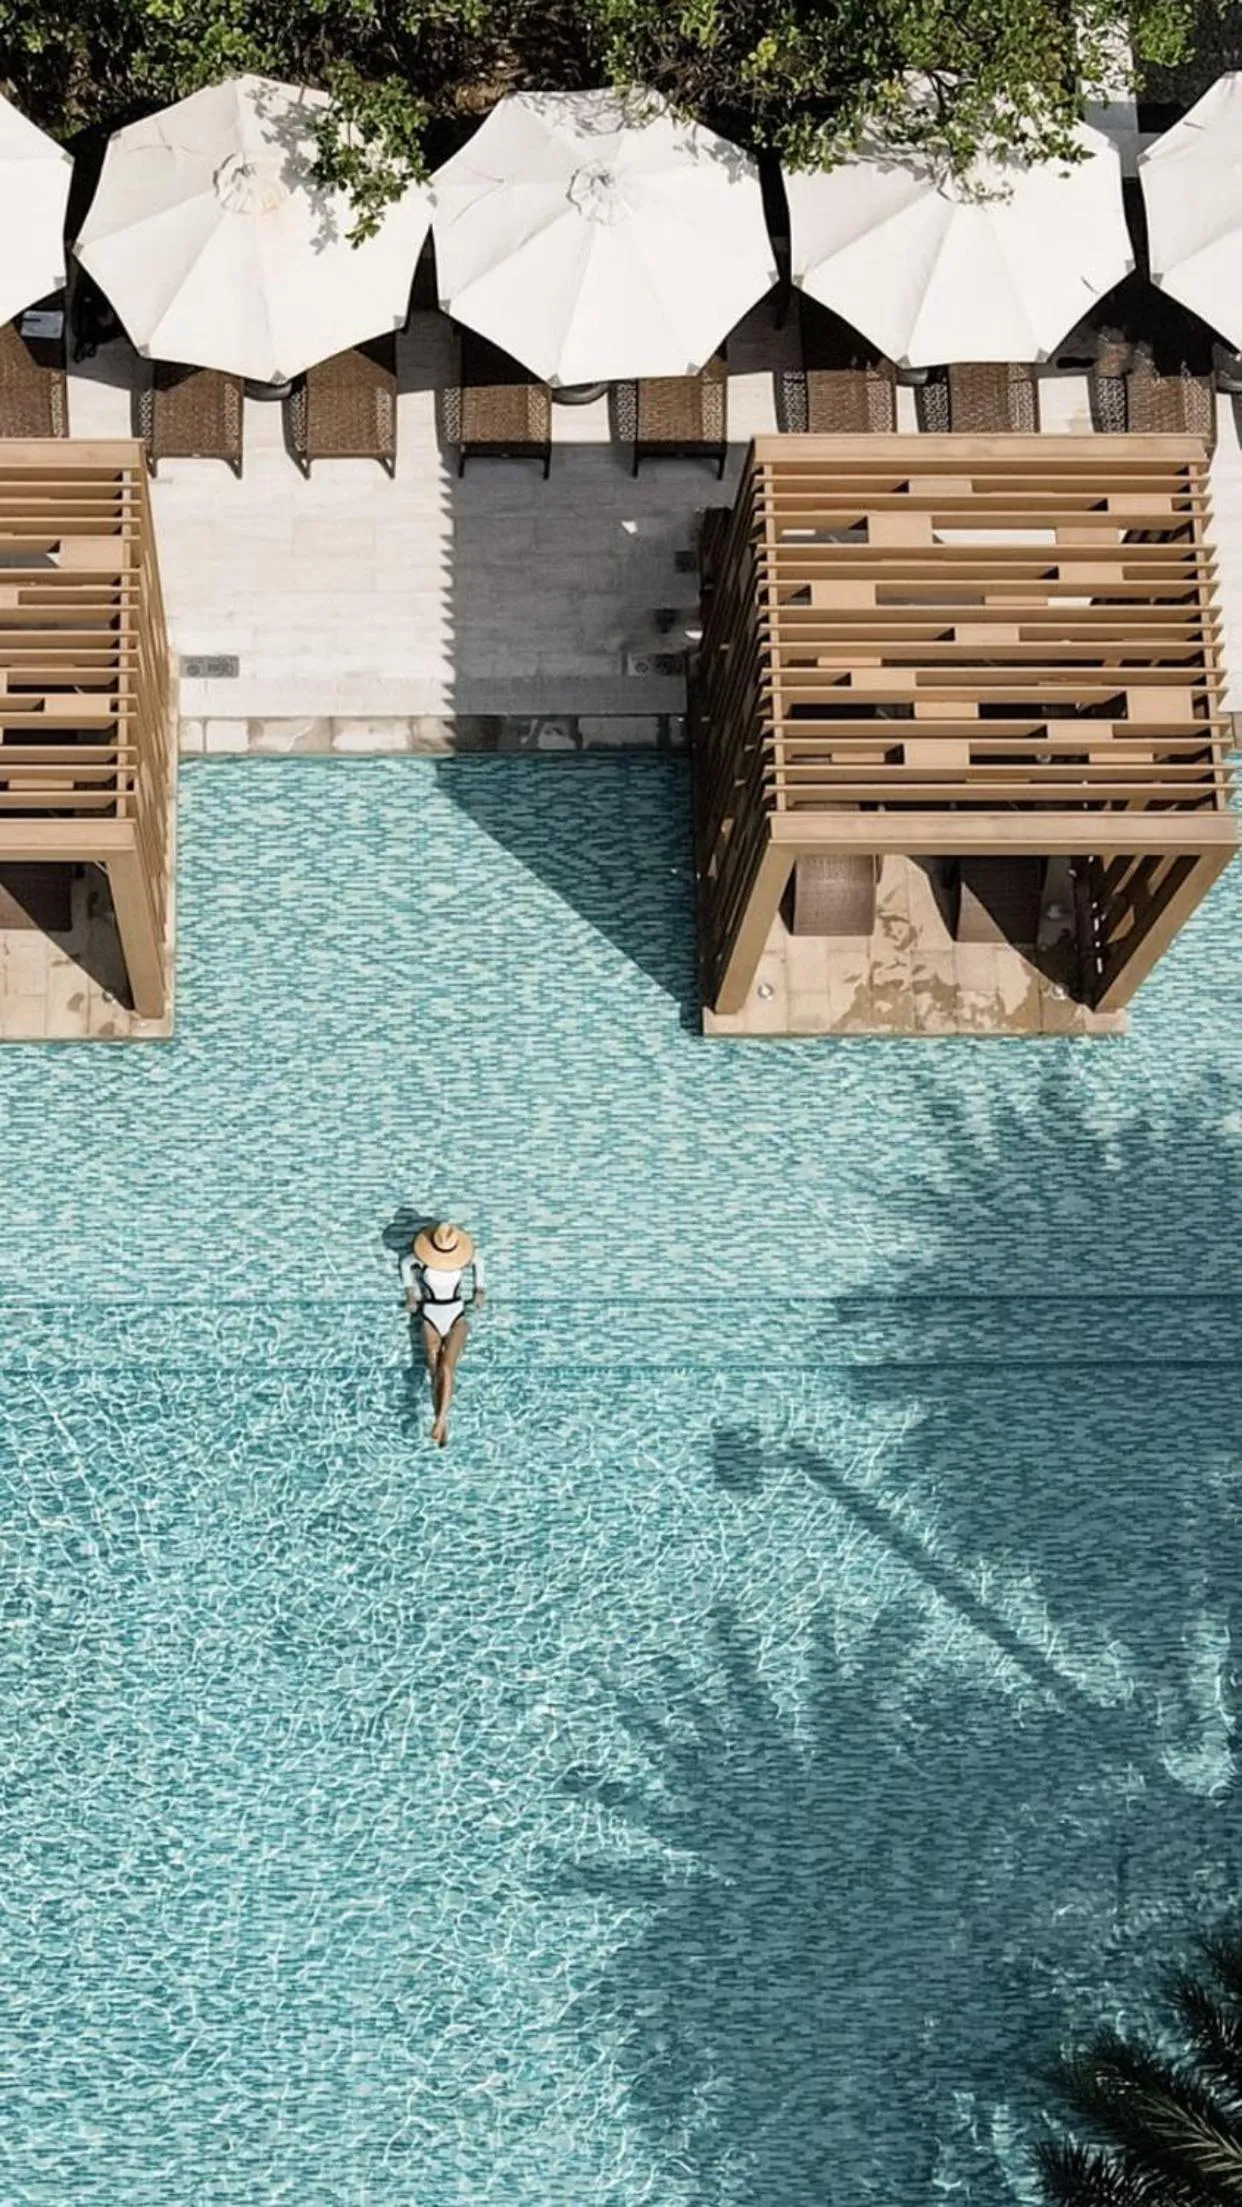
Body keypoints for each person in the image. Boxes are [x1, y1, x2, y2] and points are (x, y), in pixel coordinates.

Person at [400, 1222, 485, 1447]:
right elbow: (406, 1263)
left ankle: (440, 1420)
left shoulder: (461, 1259)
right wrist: (410, 1293)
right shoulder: (422, 1259)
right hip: (430, 1314)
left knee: (447, 1367)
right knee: (434, 1370)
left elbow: (479, 1261)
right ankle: (441, 1423)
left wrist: (479, 1289)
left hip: (456, 1314)